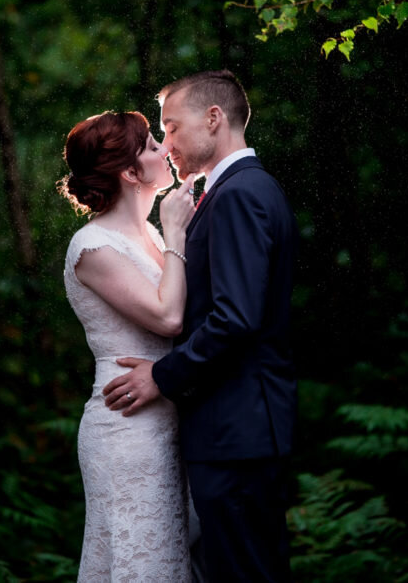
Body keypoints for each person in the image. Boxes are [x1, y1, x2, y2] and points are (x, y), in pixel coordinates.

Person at [103, 70, 298, 582]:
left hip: (236, 431)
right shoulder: (246, 188)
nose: (167, 145)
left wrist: (161, 375)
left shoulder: (238, 195)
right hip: (240, 429)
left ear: (214, 119)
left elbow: (235, 319)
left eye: (172, 127)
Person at [59, 110, 199, 581]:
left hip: (168, 415)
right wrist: (178, 232)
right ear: (129, 171)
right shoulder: (93, 246)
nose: (165, 148)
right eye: (151, 146)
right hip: (126, 429)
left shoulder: (150, 236)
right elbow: (168, 316)